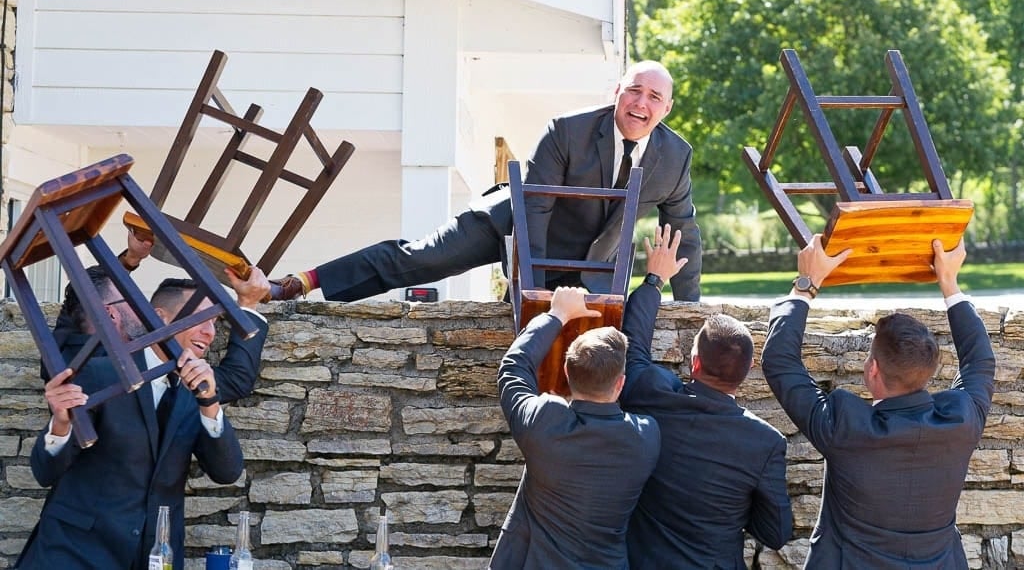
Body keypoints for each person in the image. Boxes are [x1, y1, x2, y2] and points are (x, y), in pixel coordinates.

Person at [269, 60, 703, 303]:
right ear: (616, 92)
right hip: (511, 225)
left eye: (653, 97)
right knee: (419, 259)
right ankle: (300, 282)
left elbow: (686, 235)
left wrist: (689, 310)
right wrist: (528, 287)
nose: (640, 103)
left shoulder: (675, 157)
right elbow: (535, 208)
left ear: (666, 109)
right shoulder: (568, 131)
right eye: (634, 91)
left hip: (591, 262)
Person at [761, 235, 995, 568]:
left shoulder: (844, 426)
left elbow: (780, 362)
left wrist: (806, 285)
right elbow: (981, 361)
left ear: (872, 369)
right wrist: (950, 283)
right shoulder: (961, 420)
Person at [17, 273, 245, 570]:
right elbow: (45, 472)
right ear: (161, 318)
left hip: (153, 559)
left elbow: (227, 472)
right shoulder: (102, 373)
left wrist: (210, 403)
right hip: (74, 555)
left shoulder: (198, 391)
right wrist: (60, 426)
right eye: (202, 318)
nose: (210, 332)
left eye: (215, 322)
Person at [618, 224, 792, 567]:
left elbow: (633, 348)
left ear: (694, 361)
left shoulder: (651, 394)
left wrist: (655, 280)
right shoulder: (764, 442)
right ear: (748, 369)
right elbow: (775, 533)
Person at [489, 282, 662, 568]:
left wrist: (556, 314)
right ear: (620, 383)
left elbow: (513, 369)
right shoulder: (646, 436)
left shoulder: (545, 421)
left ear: (567, 372)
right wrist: (653, 283)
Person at [48, 230, 272, 404]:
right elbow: (234, 381)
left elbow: (79, 298)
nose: (143, 307)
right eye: (132, 299)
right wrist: (248, 304)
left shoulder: (64, 353)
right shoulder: (112, 368)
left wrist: (130, 259)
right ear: (109, 313)